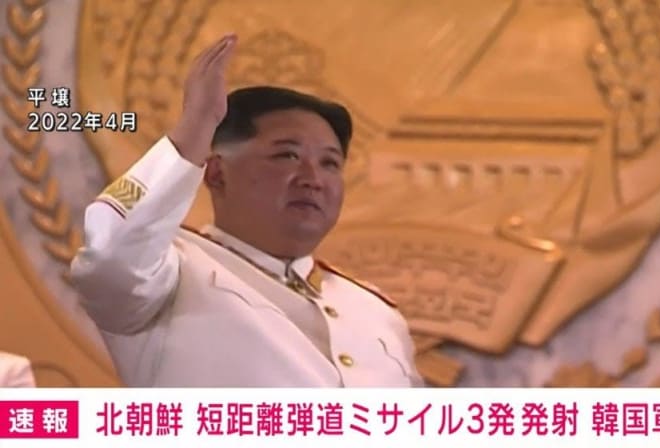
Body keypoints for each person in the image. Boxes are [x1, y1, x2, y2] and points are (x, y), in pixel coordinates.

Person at [70, 34, 423, 387]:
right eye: (288, 155)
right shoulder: (169, 273)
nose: (313, 179)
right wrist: (196, 126)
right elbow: (109, 254)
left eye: (330, 163)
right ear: (217, 173)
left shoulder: (376, 312)